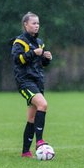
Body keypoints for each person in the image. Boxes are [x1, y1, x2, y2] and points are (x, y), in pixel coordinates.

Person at [11, 12, 52, 158]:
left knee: (32, 118)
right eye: (33, 23)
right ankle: (39, 141)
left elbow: (41, 64)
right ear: (25, 25)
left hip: (37, 81)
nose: (36, 26)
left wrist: (47, 58)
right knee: (43, 104)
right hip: (24, 81)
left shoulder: (39, 42)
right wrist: (34, 53)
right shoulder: (19, 42)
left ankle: (25, 151)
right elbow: (18, 60)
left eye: (38, 23)